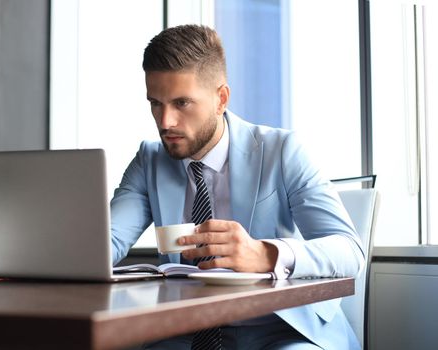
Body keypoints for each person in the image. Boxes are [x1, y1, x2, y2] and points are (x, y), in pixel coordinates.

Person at [110, 24, 364, 350]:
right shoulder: (150, 159)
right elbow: (108, 240)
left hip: (280, 332)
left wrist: (266, 254)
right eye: (156, 103)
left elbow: (349, 252)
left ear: (221, 99)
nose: (165, 122)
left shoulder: (283, 151)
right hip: (183, 333)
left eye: (182, 103)